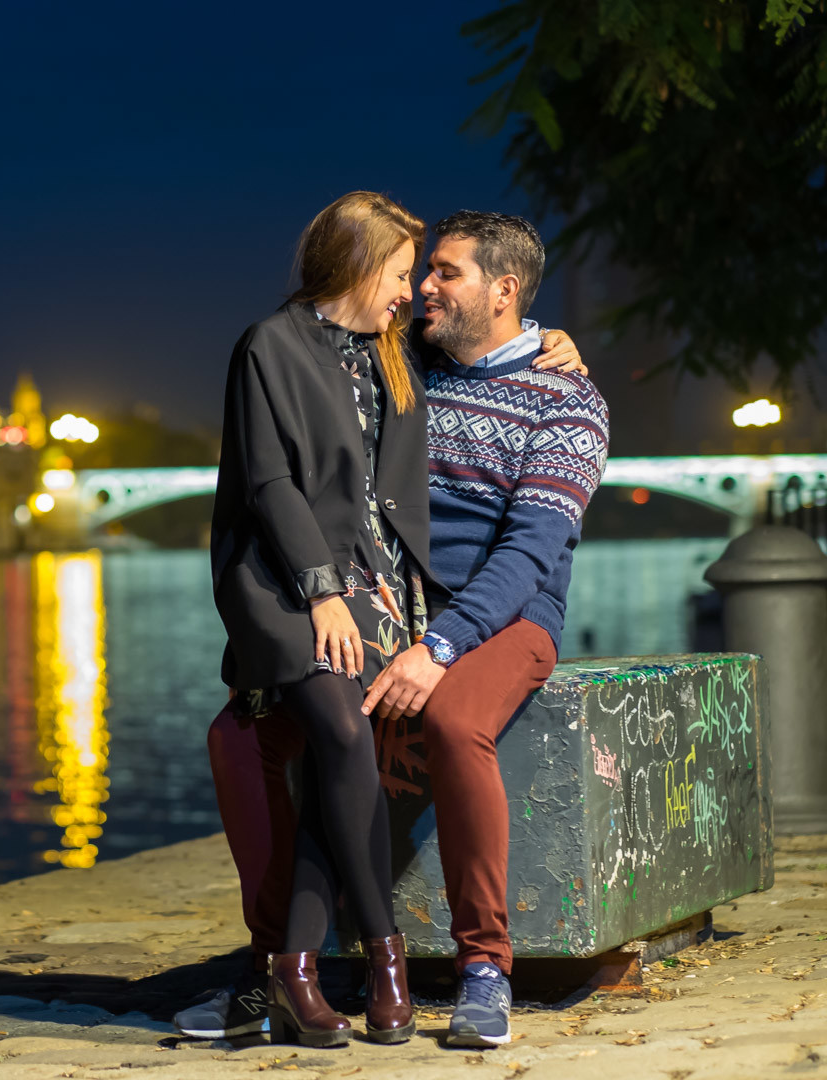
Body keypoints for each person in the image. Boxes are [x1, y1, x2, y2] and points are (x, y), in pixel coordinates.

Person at [180, 210, 608, 1049]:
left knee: (451, 720)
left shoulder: (570, 400)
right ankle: (271, 965)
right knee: (243, 736)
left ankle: (485, 964)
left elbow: (531, 552)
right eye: (423, 272)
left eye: (446, 274)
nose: (423, 291)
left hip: (506, 618)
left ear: (505, 290)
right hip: (393, 605)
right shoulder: (406, 364)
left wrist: (440, 647)